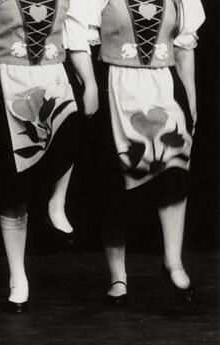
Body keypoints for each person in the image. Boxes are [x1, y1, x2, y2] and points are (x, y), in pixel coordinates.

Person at [0, 0, 98, 312]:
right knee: (13, 186)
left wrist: (89, 82)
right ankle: (17, 278)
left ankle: (56, 202)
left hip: (54, 78)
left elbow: (75, 37)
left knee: (72, 130)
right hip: (8, 82)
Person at [84, 0, 205, 304]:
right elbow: (78, 39)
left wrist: (190, 96)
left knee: (175, 171)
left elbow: (184, 46)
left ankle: (173, 261)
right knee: (115, 181)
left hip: (164, 85)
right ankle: (118, 276)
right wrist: (89, 86)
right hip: (116, 84)